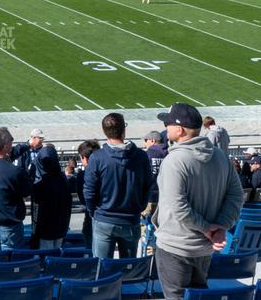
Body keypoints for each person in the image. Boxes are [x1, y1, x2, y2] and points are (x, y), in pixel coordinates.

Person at [153, 103, 245, 300]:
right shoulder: (220, 156)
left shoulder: (174, 161)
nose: (165, 127)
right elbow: (237, 196)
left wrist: (208, 228)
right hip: (204, 249)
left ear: (179, 130)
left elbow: (178, 208)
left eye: (168, 124)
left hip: (175, 247)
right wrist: (220, 227)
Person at [85, 112, 153, 259]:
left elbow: (89, 192)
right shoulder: (140, 156)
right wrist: (138, 207)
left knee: (101, 269)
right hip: (129, 219)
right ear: (124, 130)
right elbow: (148, 185)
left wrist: (94, 212)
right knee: (127, 270)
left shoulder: (98, 158)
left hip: (104, 219)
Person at [31, 145, 72, 249]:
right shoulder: (63, 179)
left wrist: (35, 234)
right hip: (61, 229)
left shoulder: (40, 184)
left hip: (45, 231)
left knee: (45, 258)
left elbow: (36, 212)